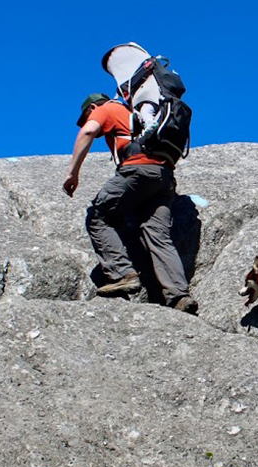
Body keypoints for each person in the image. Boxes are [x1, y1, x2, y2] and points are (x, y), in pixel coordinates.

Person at [63, 93, 198, 315]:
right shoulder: (141, 114)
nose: (88, 118)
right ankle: (179, 296)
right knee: (157, 234)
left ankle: (123, 275)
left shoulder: (106, 109)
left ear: (93, 106)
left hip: (138, 170)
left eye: (87, 114)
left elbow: (88, 131)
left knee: (99, 215)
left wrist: (72, 173)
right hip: (164, 176)